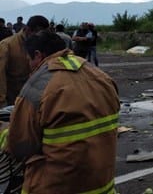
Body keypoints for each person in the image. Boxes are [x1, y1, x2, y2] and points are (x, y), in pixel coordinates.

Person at [4, 30, 119, 193]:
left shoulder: (38, 87)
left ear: (38, 55)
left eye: (29, 60)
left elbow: (20, 147)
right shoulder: (100, 76)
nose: (29, 66)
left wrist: (5, 133)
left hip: (56, 186)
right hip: (102, 185)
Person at [0, 15, 49, 107]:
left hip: (31, 99)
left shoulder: (40, 44)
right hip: (11, 99)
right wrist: (2, 102)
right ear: (28, 30)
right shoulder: (7, 45)